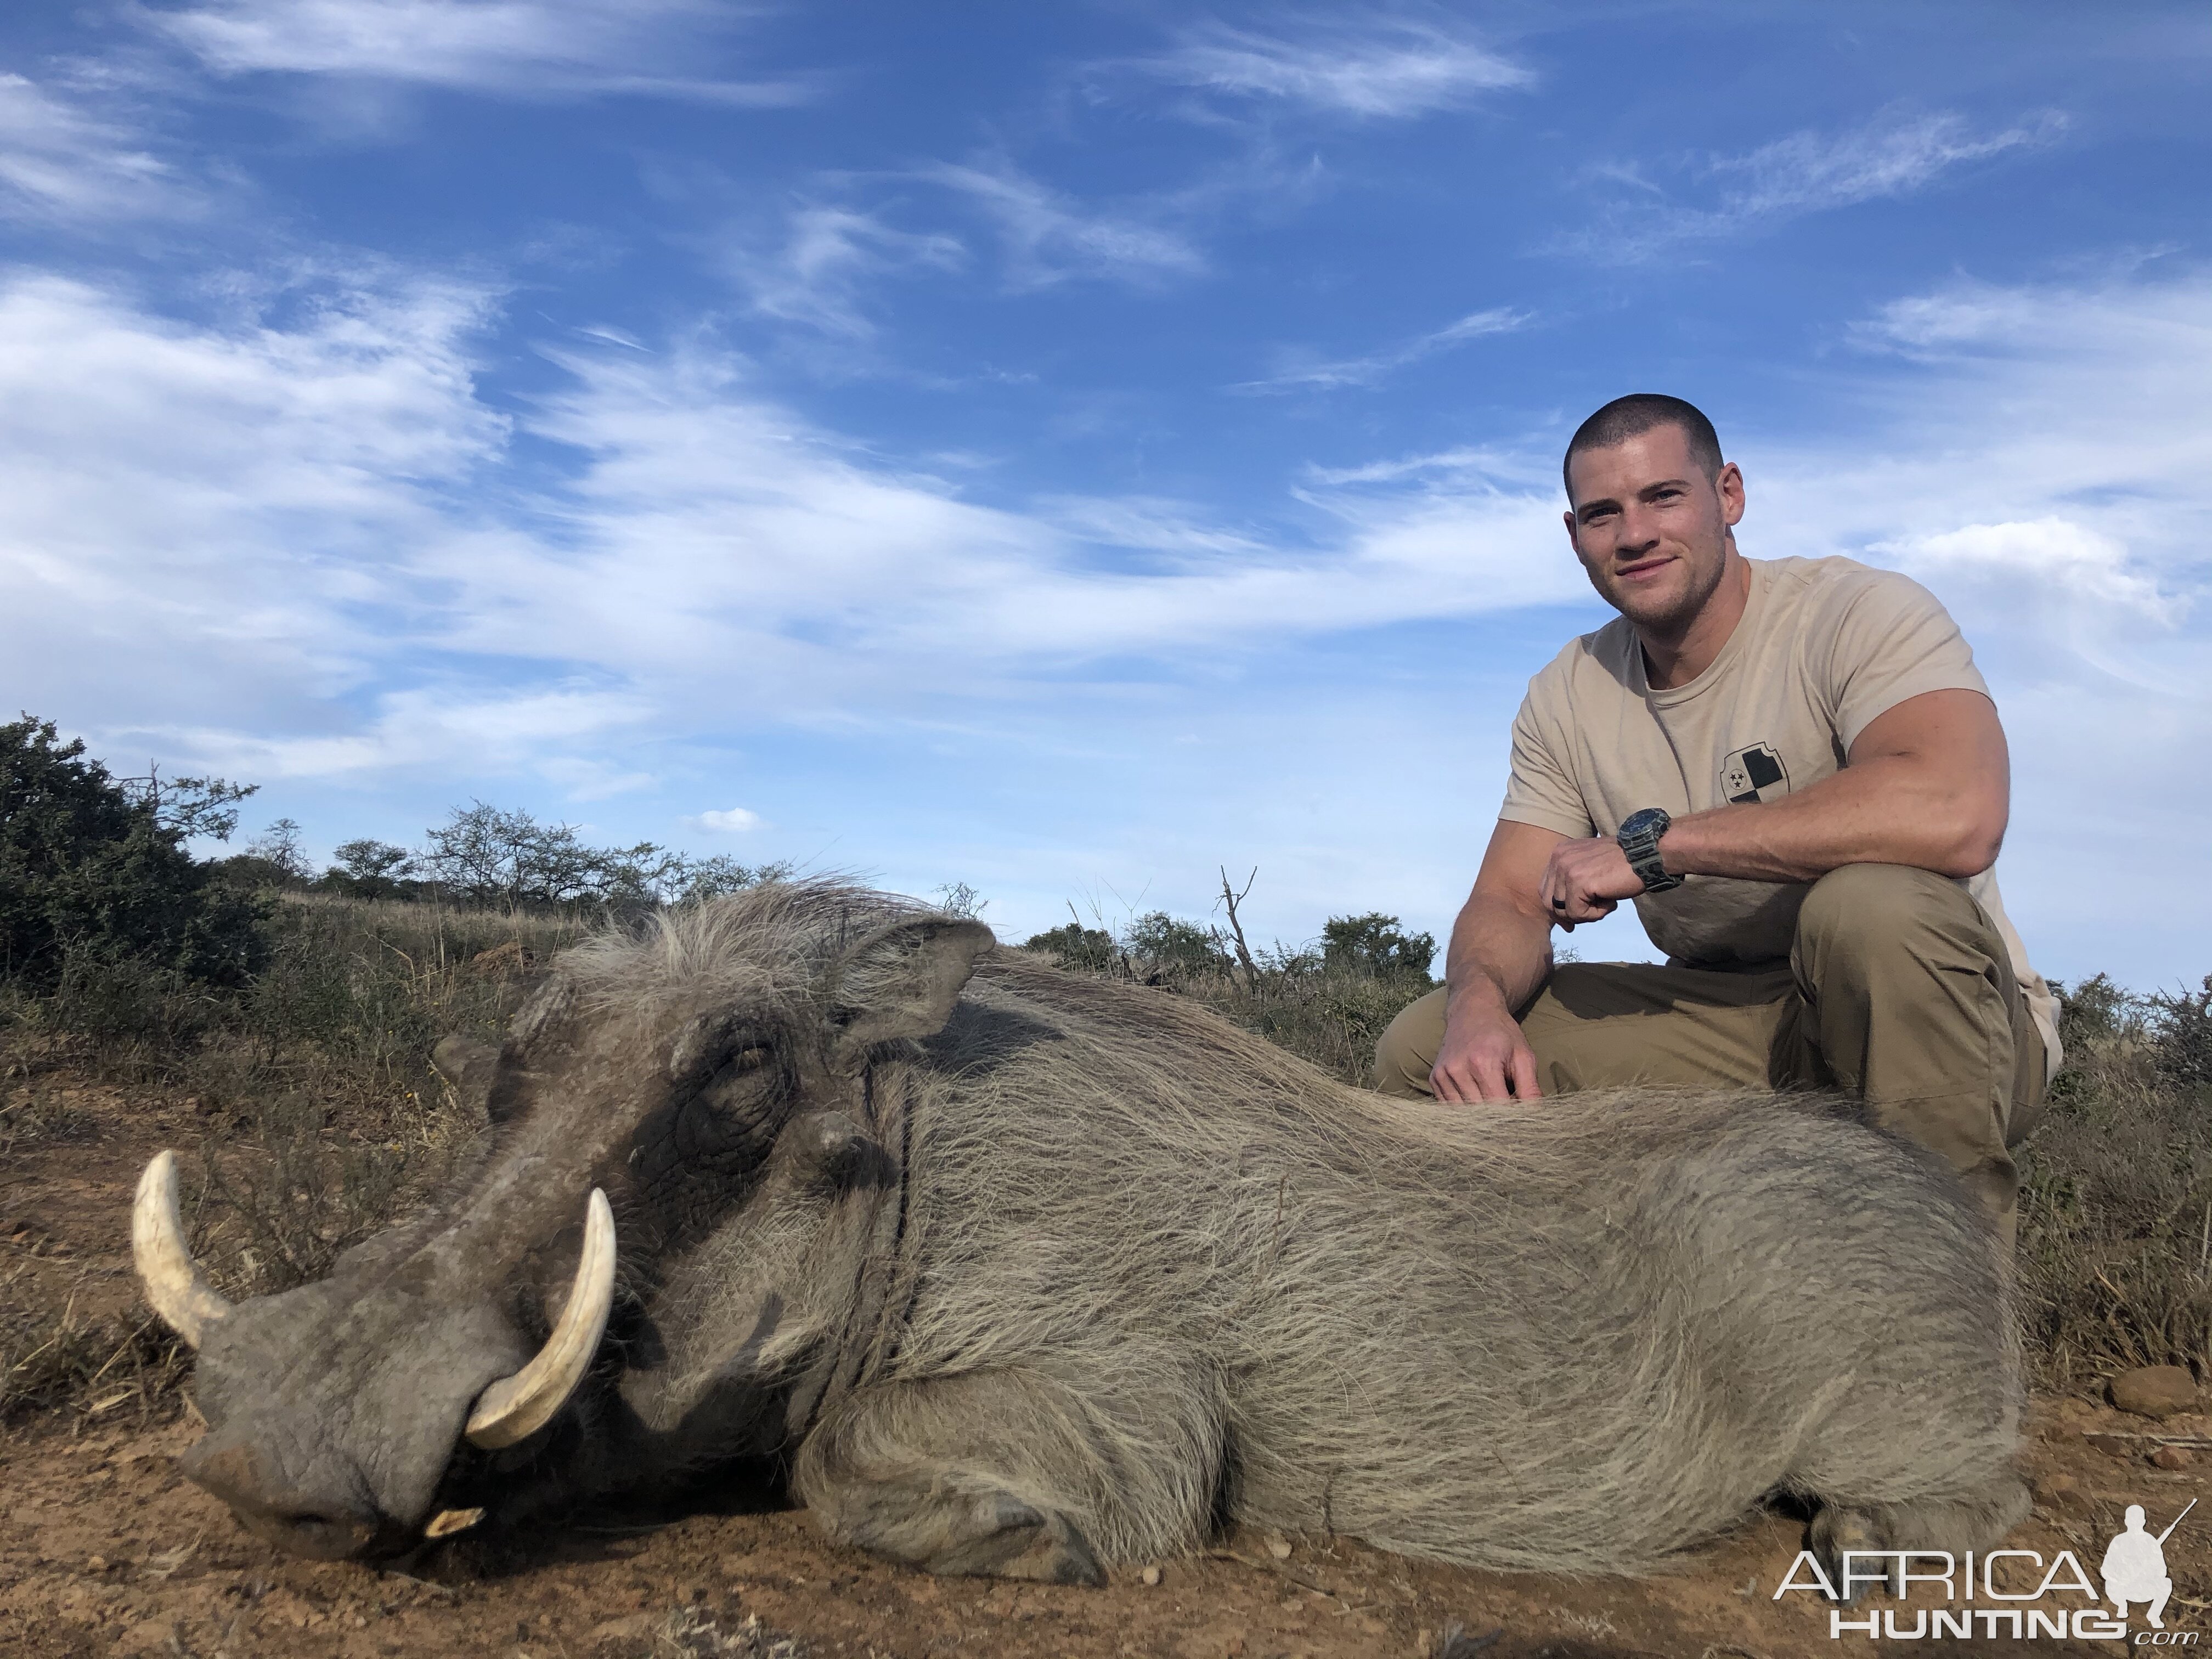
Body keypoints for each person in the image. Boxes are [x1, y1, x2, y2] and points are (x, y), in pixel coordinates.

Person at [1372, 394, 2058, 1246]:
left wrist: (1660, 848)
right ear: (1574, 534)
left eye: (1664, 496)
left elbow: (1957, 810)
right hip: (1741, 1025)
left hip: (1942, 1027)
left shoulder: (1857, 611)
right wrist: (1478, 1005)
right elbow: (1509, 903)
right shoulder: (1567, 691)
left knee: (1872, 910)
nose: (1634, 534)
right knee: (1424, 1047)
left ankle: (1951, 1305)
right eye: (1603, 514)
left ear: (1728, 494)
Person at [2101, 1504, 2175, 1629]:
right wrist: (2120, 1577)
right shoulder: (2118, 1541)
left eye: (2138, 1520)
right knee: (2110, 1584)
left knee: (2166, 1584)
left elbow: (2162, 1570)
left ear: (2144, 1522)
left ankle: (2154, 1615)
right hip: (2121, 1587)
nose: (2135, 1523)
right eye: (2131, 1519)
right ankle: (2122, 1605)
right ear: (2126, 1521)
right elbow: (2105, 1569)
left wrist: (2146, 1572)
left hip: (2142, 1588)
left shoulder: (2150, 1541)